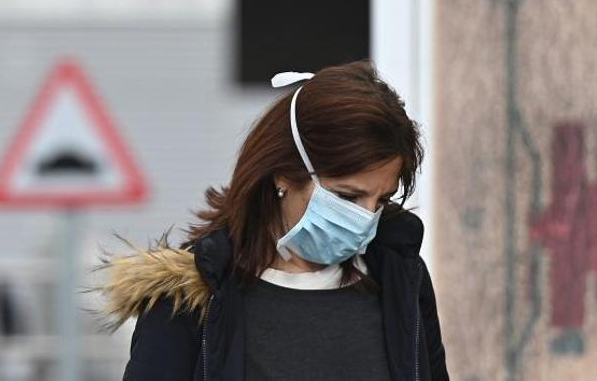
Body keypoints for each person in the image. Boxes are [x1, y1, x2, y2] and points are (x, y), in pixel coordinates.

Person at [102, 61, 449, 381]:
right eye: (347, 197)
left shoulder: (402, 279)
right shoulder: (188, 298)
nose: (366, 218)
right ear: (283, 175)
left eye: (381, 200)